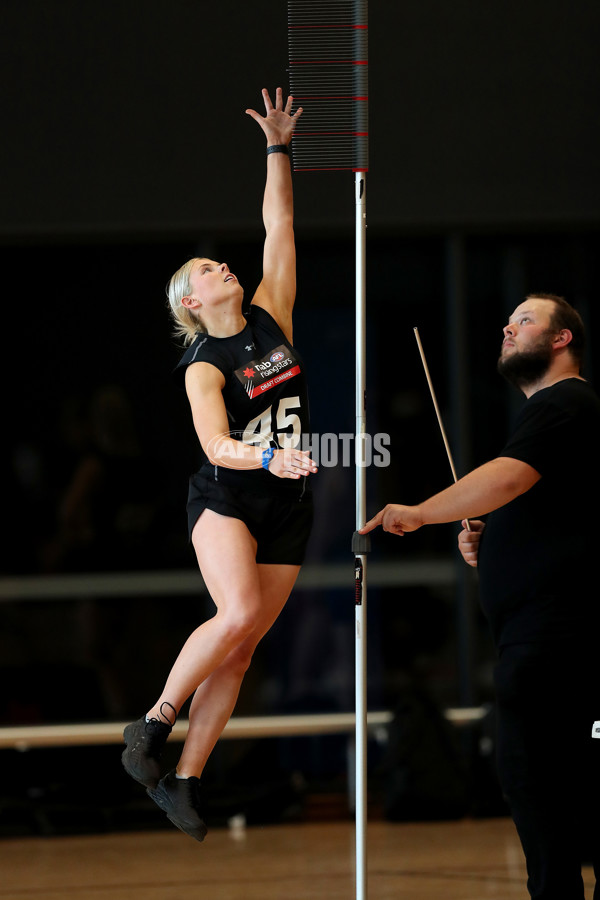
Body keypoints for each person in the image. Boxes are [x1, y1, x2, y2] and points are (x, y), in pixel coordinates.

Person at [121, 87, 318, 842]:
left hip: (288, 504)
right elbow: (215, 446)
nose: (221, 265)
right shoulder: (203, 366)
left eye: (218, 261)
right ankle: (152, 723)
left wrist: (276, 146)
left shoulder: (274, 311)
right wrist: (268, 453)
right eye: (206, 268)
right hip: (228, 498)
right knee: (232, 616)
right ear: (191, 302)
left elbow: (281, 222)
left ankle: (185, 780)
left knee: (239, 653)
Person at [361, 294, 600, 900]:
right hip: (543, 635)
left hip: (559, 637)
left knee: (544, 788)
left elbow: (509, 476)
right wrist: (493, 543)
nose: (507, 326)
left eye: (524, 320)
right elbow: (551, 511)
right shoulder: (547, 417)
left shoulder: (566, 401)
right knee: (545, 788)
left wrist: (421, 512)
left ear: (561, 339)